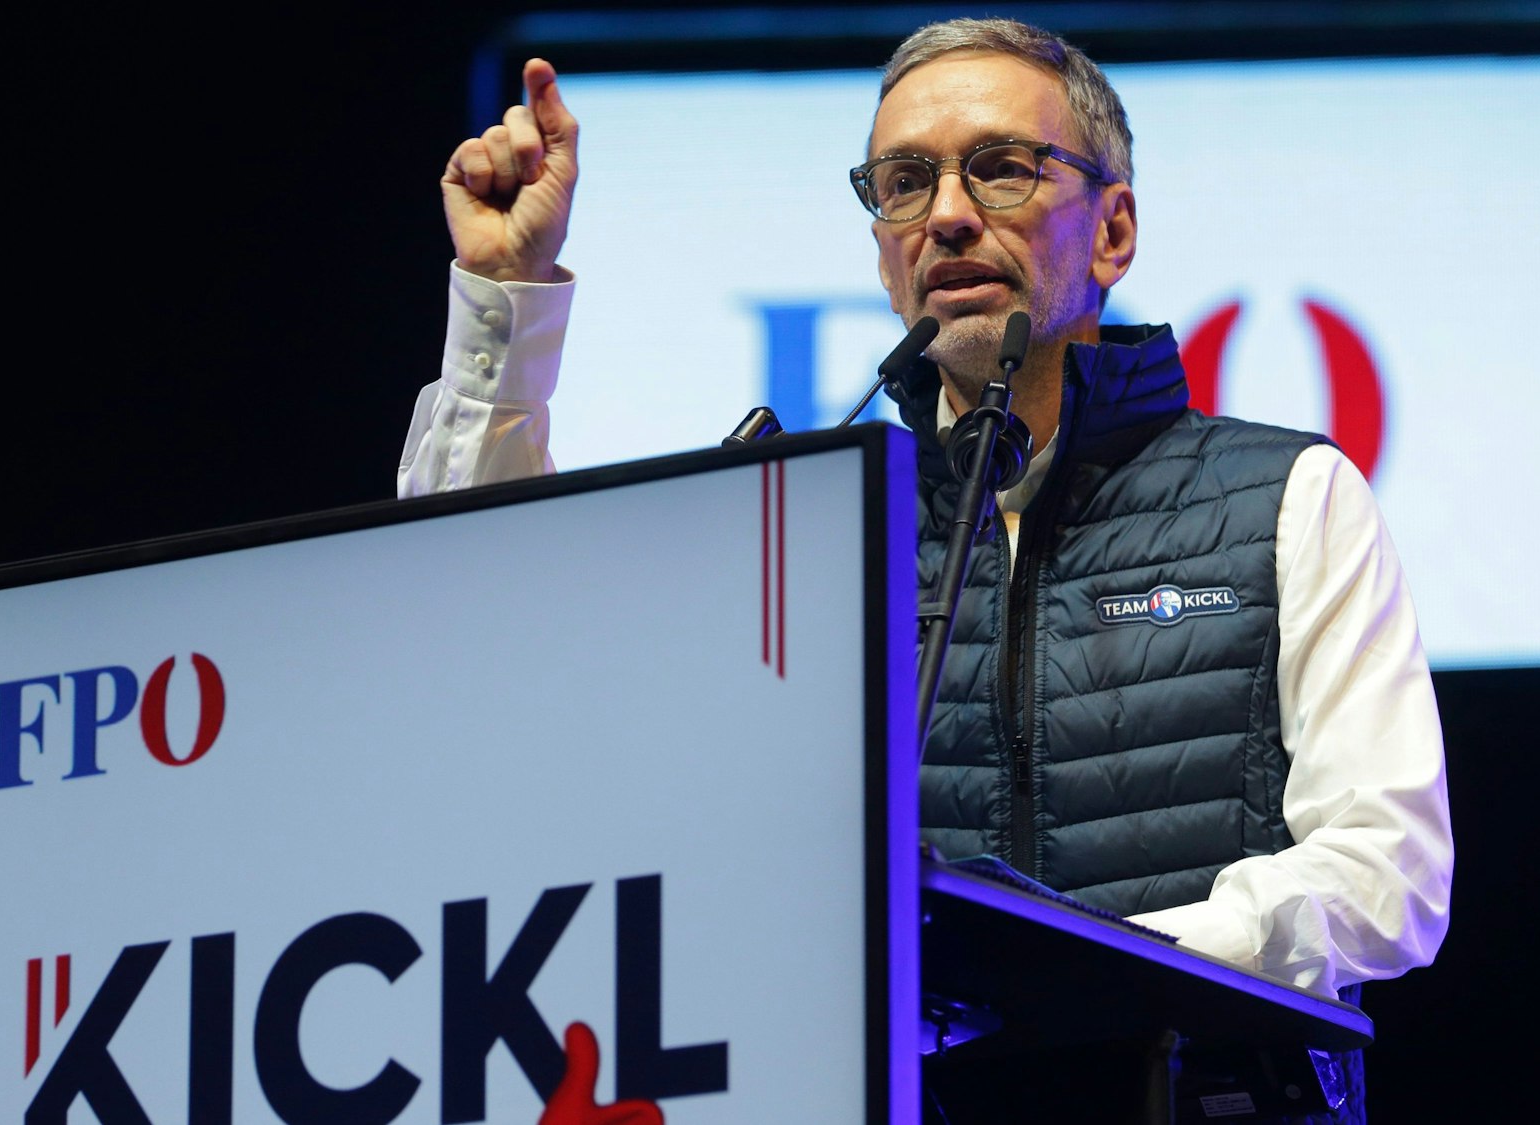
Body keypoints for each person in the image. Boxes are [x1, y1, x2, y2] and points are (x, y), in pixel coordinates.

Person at [400, 18, 1451, 1123]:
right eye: (904, 182)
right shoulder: (806, 528)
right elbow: (498, 643)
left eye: (1000, 168)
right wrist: (503, 295)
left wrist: (1093, 969)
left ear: (1113, 231)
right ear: (881, 251)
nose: (946, 214)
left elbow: (1386, 871)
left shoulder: (1287, 494)